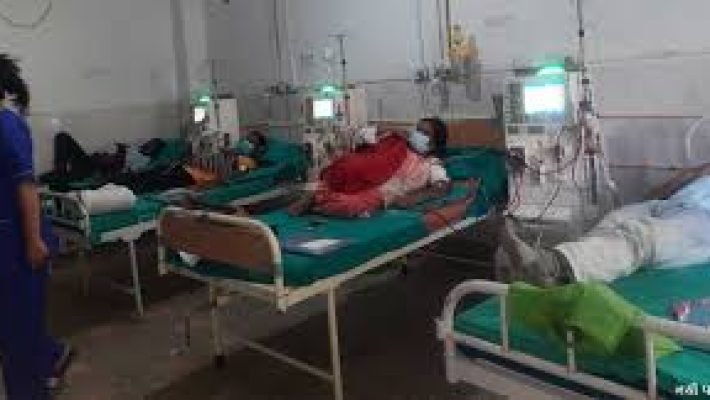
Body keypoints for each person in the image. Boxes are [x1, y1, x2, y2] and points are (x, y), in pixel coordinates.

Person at [497, 162, 710, 287]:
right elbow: (661, 190)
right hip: (668, 204)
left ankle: (553, 265)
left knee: (646, 237)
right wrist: (686, 178)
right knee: (614, 221)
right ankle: (560, 275)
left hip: (703, 219)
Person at [0, 54, 74, 399]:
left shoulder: (7, 125)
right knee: (15, 327)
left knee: (19, 337)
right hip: (5, 243)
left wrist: (32, 241)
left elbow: (26, 186)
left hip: (19, 245)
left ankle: (33, 384)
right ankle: (52, 355)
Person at [289, 117, 452, 218]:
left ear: (434, 143)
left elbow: (442, 186)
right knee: (346, 167)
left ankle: (316, 200)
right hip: (364, 173)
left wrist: (415, 198)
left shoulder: (431, 164)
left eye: (425, 133)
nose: (417, 135)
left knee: (350, 205)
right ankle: (316, 197)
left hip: (380, 191)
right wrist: (392, 130)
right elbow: (362, 136)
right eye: (417, 130)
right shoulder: (396, 141)